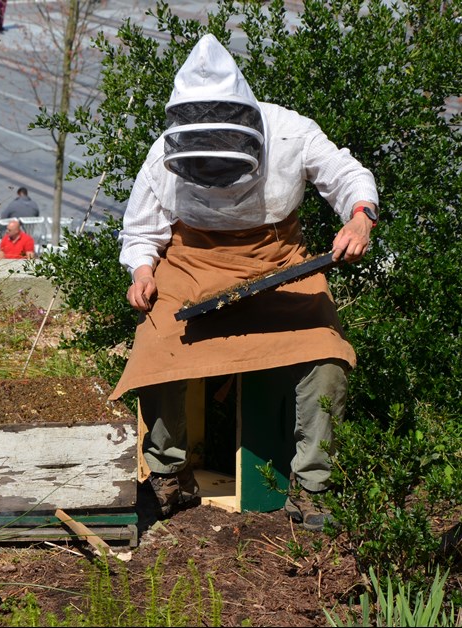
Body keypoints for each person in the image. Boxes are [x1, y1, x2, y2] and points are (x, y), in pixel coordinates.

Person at [110, 34, 378, 530]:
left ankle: (314, 486)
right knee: (155, 351)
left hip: (279, 265)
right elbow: (142, 229)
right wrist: (143, 271)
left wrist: (359, 217)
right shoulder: (160, 156)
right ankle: (169, 476)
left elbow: (345, 174)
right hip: (191, 268)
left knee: (327, 356)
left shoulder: (291, 132)